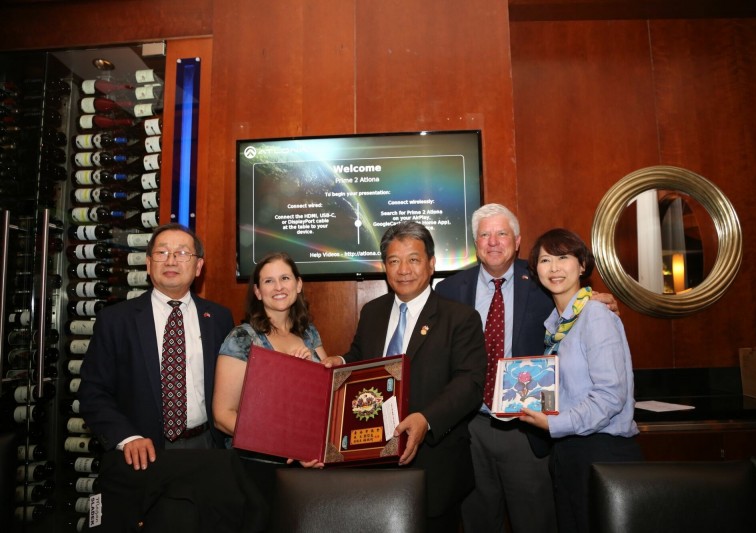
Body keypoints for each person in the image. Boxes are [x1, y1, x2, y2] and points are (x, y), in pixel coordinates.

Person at [436, 203, 618, 533]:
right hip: (469, 428)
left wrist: (592, 299)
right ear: (475, 243)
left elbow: (572, 298)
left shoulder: (543, 280)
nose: (493, 241)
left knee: (536, 523)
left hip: (528, 427)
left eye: (501, 233)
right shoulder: (448, 290)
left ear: (517, 241)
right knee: (477, 522)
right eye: (485, 234)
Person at [329, 221, 487, 532]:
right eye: (394, 260)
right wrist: (342, 360)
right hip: (372, 459)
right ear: (384, 266)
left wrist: (426, 419)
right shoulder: (372, 311)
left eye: (413, 259)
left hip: (434, 462)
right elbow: (361, 357)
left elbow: (469, 384)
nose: (404, 269)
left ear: (431, 264)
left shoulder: (460, 318)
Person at [80, 223, 235, 471]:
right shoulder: (115, 320)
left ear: (198, 267)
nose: (171, 261)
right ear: (149, 264)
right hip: (142, 455)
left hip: (208, 449)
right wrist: (127, 438)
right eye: (162, 253)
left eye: (183, 253)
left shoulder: (219, 318)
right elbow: (93, 392)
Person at [520, 228, 641, 533]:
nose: (555, 268)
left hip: (603, 452)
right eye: (546, 260)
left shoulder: (595, 315)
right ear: (536, 271)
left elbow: (611, 397)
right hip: (569, 451)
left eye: (564, 257)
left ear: (582, 265)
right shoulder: (556, 325)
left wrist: (554, 423)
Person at [213, 252, 328, 462]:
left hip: (308, 459)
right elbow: (223, 416)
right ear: (257, 292)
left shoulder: (309, 333)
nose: (278, 287)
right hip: (257, 465)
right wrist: (282, 444)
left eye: (285, 278)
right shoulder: (241, 338)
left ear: (298, 284)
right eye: (268, 281)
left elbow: (327, 398)